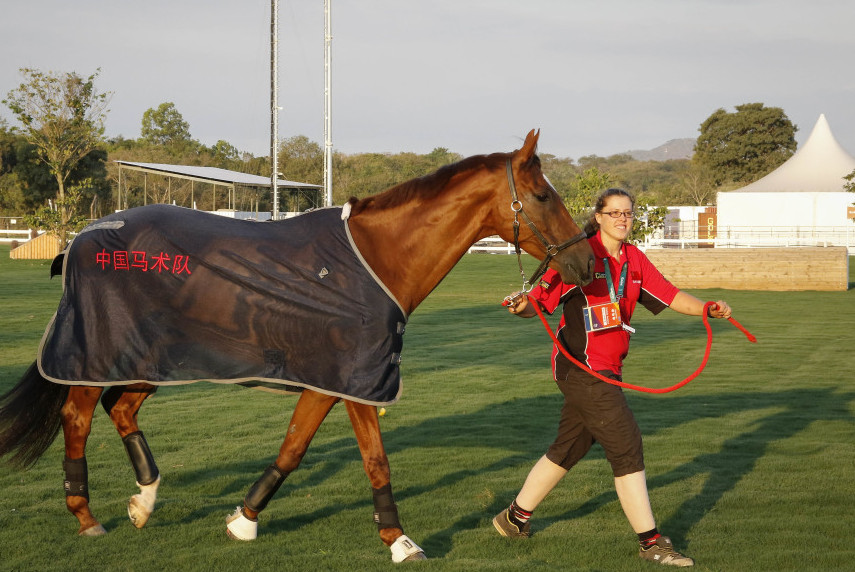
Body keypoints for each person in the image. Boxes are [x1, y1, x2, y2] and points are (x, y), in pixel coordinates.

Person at [493, 188, 732, 567]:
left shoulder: (634, 258)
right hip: (581, 368)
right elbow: (538, 302)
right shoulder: (579, 256)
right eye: (614, 212)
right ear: (598, 217)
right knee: (627, 446)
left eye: (628, 213)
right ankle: (651, 542)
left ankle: (514, 518)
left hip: (609, 370)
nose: (622, 219)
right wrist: (520, 306)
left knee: (569, 446)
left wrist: (707, 307)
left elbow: (669, 295)